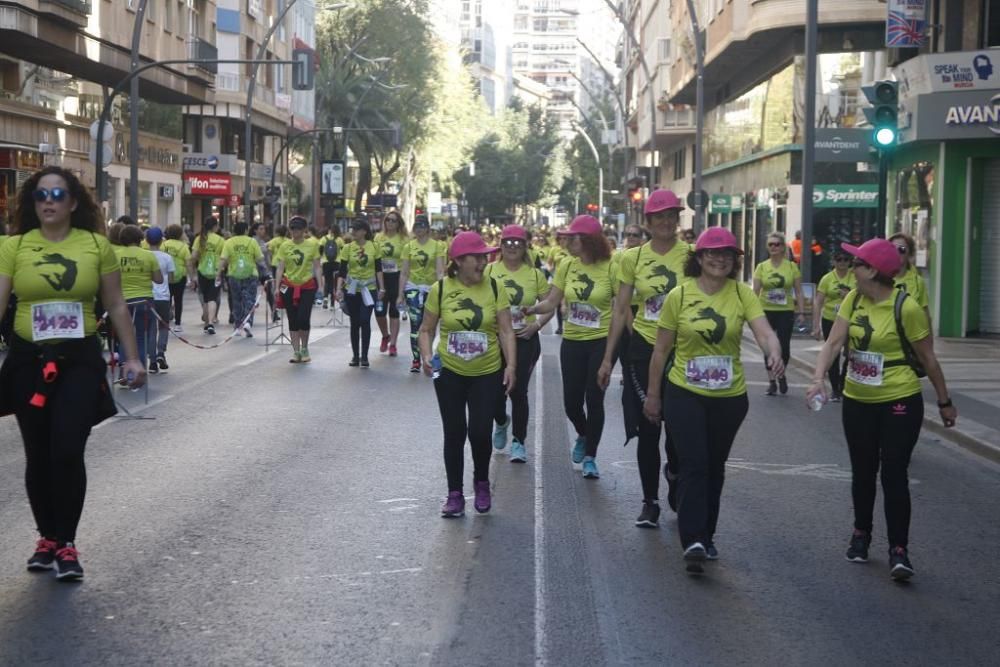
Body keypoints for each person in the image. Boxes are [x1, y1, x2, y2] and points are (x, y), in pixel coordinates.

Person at [0, 165, 146, 580]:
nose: (48, 201)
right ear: (33, 203)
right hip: (29, 360)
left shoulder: (97, 245)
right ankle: (46, 539)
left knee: (66, 448)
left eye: (57, 195)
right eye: (41, 195)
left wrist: (133, 358)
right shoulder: (14, 247)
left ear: (73, 203)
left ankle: (66, 543)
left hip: (79, 360)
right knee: (38, 453)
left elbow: (116, 304)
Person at [806, 238, 957, 581]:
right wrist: (818, 379)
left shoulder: (906, 307)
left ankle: (899, 550)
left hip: (899, 398)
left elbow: (929, 359)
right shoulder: (852, 298)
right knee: (862, 470)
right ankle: (861, 534)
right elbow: (833, 343)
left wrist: (944, 402)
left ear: (872, 270)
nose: (852, 266)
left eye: (857, 262)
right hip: (858, 400)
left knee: (893, 472)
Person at [643, 227, 783, 573]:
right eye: (712, 253)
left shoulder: (741, 294)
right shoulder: (679, 295)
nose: (719, 259)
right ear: (699, 258)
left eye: (727, 255)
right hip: (684, 392)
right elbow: (661, 351)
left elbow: (764, 331)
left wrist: (774, 352)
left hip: (729, 397)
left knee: (714, 467)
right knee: (694, 463)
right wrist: (653, 395)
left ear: (735, 261)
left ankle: (707, 534)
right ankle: (692, 538)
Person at [599, 190, 689, 526]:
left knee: (679, 431)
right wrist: (608, 358)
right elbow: (621, 309)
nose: (667, 222)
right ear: (648, 222)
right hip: (642, 351)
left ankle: (676, 472)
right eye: (660, 216)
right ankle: (649, 501)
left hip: (683, 353)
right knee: (648, 428)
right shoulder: (631, 259)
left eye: (672, 215)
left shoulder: (692, 256)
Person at [419, 231, 516, 517]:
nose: (484, 262)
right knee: (455, 433)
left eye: (486, 256)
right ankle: (455, 494)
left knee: (479, 432)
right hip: (449, 371)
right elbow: (426, 329)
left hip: (486, 371)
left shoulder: (496, 288)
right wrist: (426, 356)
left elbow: (507, 330)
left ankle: (482, 483)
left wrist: (511, 365)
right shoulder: (440, 289)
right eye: (478, 257)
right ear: (459, 260)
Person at [526, 215, 614, 479]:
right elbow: (552, 301)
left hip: (600, 340)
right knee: (571, 403)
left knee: (594, 398)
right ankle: (584, 434)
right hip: (573, 341)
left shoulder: (612, 266)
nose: (567, 241)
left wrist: (613, 354)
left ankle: (591, 457)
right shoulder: (566, 265)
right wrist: (531, 309)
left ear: (588, 240)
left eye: (573, 237)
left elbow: (621, 309)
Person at [487, 224, 553, 463]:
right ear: (501, 246)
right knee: (494, 392)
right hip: (495, 340)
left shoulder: (535, 274)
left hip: (524, 339)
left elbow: (549, 306)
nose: (512, 247)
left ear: (525, 247)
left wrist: (536, 325)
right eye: (508, 242)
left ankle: (518, 441)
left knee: (518, 391)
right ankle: (502, 421)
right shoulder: (489, 271)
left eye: (518, 243)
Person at [753, 232, 804, 395]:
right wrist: (751, 313)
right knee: (768, 347)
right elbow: (755, 292)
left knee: (784, 347)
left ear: (783, 247)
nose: (773, 247)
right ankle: (772, 381)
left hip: (785, 310)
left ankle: (781, 374)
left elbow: (799, 291)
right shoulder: (762, 267)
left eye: (777, 244)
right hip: (765, 310)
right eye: (770, 245)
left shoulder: (791, 266)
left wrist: (801, 312)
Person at [114, 225, 164, 380]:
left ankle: (124, 370)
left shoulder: (115, 255)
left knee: (124, 335)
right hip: (144, 301)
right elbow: (159, 279)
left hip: (122, 302)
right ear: (140, 238)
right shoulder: (148, 256)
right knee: (141, 337)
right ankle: (139, 372)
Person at [398, 214, 445, 373]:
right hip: (412, 288)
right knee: (415, 324)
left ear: (427, 228)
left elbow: (440, 270)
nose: (419, 229)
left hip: (431, 289)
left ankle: (428, 354)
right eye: (416, 227)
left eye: (422, 226)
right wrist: (400, 293)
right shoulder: (408, 247)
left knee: (429, 326)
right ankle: (416, 359)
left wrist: (442, 291)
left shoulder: (437, 246)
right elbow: (404, 272)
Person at [273, 216, 322, 362]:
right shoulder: (285, 246)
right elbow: (280, 267)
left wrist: (321, 285)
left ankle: (305, 348)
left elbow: (317, 267)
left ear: (304, 230)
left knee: (303, 318)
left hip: (307, 286)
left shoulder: (312, 245)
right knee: (292, 319)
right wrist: (276, 287)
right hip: (288, 285)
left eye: (298, 229)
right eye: (293, 228)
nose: (295, 231)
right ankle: (296, 351)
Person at [337, 218, 385, 368]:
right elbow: (342, 271)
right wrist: (339, 289)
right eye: (352, 229)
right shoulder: (347, 248)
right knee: (354, 322)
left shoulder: (374, 247)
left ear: (364, 231)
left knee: (365, 320)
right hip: (352, 289)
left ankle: (365, 356)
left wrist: (381, 288)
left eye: (356, 230)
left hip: (368, 289)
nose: (353, 232)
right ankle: (355, 356)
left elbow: (378, 269)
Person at [811, 249, 856, 401]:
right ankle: (836, 389)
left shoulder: (855, 277)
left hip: (850, 320)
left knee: (850, 353)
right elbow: (818, 302)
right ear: (834, 262)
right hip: (830, 319)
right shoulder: (827, 278)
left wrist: (848, 295)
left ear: (850, 262)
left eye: (845, 260)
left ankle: (843, 380)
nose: (842, 263)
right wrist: (816, 325)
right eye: (839, 259)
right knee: (832, 353)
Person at [217, 222, 265, 337]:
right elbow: (259, 259)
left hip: (234, 275)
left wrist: (218, 273)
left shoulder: (229, 242)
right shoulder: (252, 241)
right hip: (251, 274)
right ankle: (248, 322)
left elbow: (223, 259)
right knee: (250, 300)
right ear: (246, 230)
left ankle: (238, 326)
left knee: (236, 301)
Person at [374, 211, 407, 356]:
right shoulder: (378, 237)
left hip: (396, 277)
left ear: (399, 223)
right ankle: (385, 335)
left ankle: (393, 344)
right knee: (379, 311)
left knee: (394, 311)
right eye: (388, 220)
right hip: (381, 278)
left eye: (393, 220)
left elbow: (407, 263)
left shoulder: (404, 239)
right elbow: (374, 258)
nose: (390, 223)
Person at [888, 232, 932, 335]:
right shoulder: (880, 278)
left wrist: (928, 344)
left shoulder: (917, 282)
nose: (896, 253)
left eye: (901, 249)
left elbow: (925, 314)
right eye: (892, 249)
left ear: (909, 253)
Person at [144, 227, 175, 373]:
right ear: (162, 240)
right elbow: (172, 279)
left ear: (146, 240)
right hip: (163, 297)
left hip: (148, 297)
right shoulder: (167, 257)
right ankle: (161, 353)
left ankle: (152, 360)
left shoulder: (143, 256)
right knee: (164, 326)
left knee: (151, 329)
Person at [188, 217, 224, 335]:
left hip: (202, 271)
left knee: (205, 298)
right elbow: (224, 257)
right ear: (215, 226)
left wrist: (192, 273)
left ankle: (206, 323)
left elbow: (193, 257)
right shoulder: (220, 240)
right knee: (213, 298)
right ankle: (211, 324)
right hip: (216, 272)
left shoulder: (199, 239)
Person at [162, 224, 191, 334]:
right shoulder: (184, 247)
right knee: (178, 301)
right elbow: (188, 263)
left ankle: (165, 322)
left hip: (166, 276)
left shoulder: (163, 245)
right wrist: (191, 277)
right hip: (180, 276)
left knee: (167, 299)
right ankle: (178, 324)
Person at [266, 225, 289, 323]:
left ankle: (275, 309)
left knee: (276, 285)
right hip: (287, 265)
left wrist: (269, 262)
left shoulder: (274, 241)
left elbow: (268, 252)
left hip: (276, 264)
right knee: (285, 284)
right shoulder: (288, 241)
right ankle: (283, 298)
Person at [320, 225, 342, 309]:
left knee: (327, 281)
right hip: (336, 262)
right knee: (334, 283)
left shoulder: (323, 238)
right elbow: (343, 251)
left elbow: (320, 251)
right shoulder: (339, 239)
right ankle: (332, 304)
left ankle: (325, 297)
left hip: (326, 262)